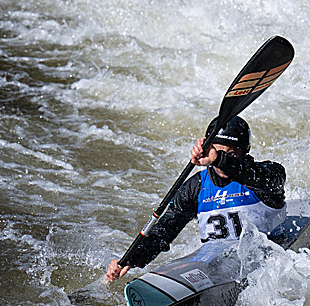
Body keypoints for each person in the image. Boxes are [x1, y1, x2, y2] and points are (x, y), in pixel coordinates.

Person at [105, 116, 286, 282]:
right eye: (217, 152)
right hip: (215, 262)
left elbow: (268, 179)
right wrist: (131, 259)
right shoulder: (196, 186)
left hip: (264, 258)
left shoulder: (264, 175)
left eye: (231, 154)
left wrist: (220, 159)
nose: (221, 159)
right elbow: (164, 231)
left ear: (243, 153)